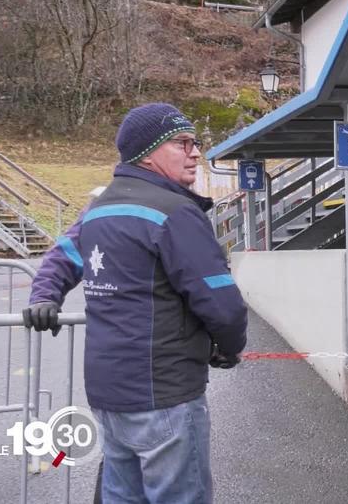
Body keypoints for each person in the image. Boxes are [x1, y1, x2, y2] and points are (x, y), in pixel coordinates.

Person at [22, 103, 248, 503]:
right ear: (148, 152)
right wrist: (228, 348)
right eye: (183, 143)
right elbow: (224, 306)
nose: (196, 152)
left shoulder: (99, 210)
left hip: (110, 397)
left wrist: (44, 296)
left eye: (196, 143)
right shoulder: (175, 212)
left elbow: (63, 258)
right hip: (167, 396)